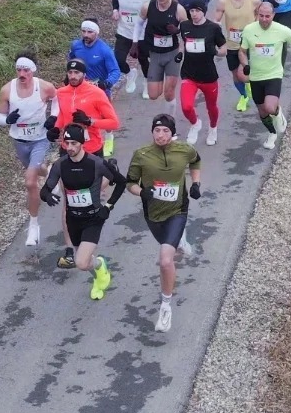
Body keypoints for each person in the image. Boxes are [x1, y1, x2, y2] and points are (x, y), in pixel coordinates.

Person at [125, 114, 202, 333]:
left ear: (172, 133)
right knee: (169, 245)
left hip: (178, 210)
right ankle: (180, 241)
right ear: (152, 132)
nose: (160, 135)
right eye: (157, 131)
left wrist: (196, 183)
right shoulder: (141, 155)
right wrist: (143, 192)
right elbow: (129, 183)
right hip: (153, 215)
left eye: (165, 131)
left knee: (166, 260)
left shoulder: (184, 150)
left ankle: (166, 307)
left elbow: (196, 160)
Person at [40, 123, 125, 296]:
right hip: (73, 220)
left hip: (93, 218)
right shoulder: (60, 165)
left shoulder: (96, 163)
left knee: (80, 262)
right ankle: (99, 271)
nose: (69, 148)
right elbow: (45, 189)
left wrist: (108, 206)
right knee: (85, 263)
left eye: (74, 144)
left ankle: (100, 272)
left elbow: (121, 183)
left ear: (82, 143)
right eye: (67, 143)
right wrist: (47, 196)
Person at [0, 57, 59, 247]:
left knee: (30, 182)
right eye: (19, 70)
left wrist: (53, 118)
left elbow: (57, 102)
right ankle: (48, 172)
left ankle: (33, 225)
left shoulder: (45, 87)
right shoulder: (7, 89)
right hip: (19, 140)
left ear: (33, 71)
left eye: (26, 71)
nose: (22, 74)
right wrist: (7, 120)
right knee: (36, 169)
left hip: (40, 139)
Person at [238, 3, 291, 150]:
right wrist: (245, 64)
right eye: (261, 16)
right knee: (262, 111)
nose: (264, 19)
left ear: (273, 15)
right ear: (257, 14)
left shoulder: (281, 30)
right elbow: (242, 51)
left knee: (269, 107)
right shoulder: (249, 30)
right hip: (256, 76)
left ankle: (277, 112)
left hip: (273, 74)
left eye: (267, 16)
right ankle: (272, 133)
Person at [53, 57, 121, 167]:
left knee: (94, 183)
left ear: (84, 74)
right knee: (68, 183)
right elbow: (62, 114)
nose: (73, 76)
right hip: (68, 148)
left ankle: (111, 168)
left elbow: (114, 123)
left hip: (91, 148)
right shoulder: (61, 92)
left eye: (77, 72)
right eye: (70, 72)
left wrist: (90, 121)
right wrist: (55, 128)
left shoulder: (96, 93)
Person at [177, 0, 226, 146]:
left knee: (211, 106)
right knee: (186, 106)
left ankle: (213, 128)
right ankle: (195, 123)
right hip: (189, 74)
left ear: (203, 11)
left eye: (197, 11)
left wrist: (217, 52)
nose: (194, 14)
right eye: (191, 11)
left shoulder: (213, 28)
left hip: (208, 75)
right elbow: (183, 43)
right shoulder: (184, 25)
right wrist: (180, 52)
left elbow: (224, 48)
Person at [211, 0, 263, 112]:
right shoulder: (223, 1)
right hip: (232, 43)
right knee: (235, 75)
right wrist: (216, 24)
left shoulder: (254, 0)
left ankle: (249, 84)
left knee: (242, 75)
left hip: (248, 43)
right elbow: (216, 19)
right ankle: (244, 96)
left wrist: (256, 28)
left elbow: (261, 15)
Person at [141, 0, 189, 115]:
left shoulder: (178, 9)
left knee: (169, 93)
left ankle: (170, 122)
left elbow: (187, 30)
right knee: (153, 95)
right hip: (155, 54)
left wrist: (178, 30)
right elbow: (139, 24)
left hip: (172, 54)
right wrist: (136, 43)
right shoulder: (147, 7)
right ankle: (160, 81)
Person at [112, 0, 155, 96]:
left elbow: (153, 13)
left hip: (141, 34)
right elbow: (115, 0)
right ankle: (130, 73)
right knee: (117, 60)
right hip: (124, 31)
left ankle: (147, 84)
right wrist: (115, 10)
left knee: (144, 61)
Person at [68, 19, 122, 95]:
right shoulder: (75, 45)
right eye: (83, 31)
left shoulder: (105, 50)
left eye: (90, 32)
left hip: (99, 92)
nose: (86, 35)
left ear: (97, 33)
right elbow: (71, 62)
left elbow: (115, 71)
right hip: (80, 90)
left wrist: (106, 83)